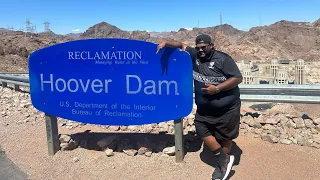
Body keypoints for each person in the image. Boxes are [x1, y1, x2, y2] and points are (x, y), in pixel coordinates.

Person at [156, 34, 243, 180]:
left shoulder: (223, 59)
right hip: (205, 109)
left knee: (225, 135)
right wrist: (166, 42)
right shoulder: (194, 55)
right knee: (201, 128)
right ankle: (223, 158)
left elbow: (237, 78)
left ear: (212, 45)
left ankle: (223, 163)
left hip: (227, 107)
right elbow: (181, 45)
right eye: (198, 48)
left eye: (204, 47)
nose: (201, 50)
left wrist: (217, 88)